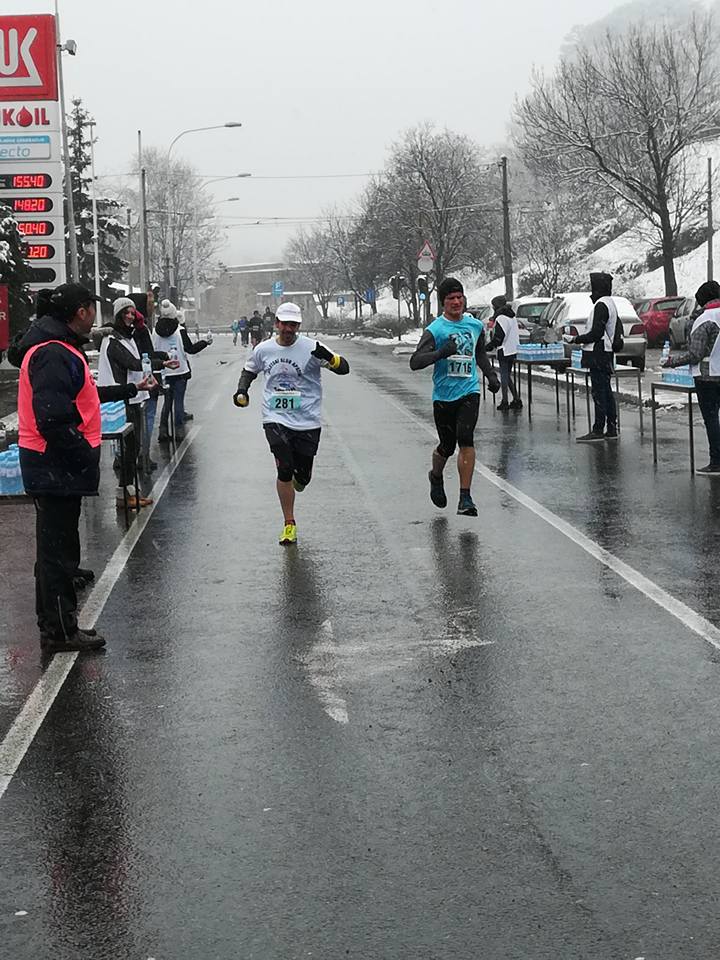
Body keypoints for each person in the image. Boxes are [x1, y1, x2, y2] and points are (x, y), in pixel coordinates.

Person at [16, 283, 152, 654]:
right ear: (80, 312)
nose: (95, 314)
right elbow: (53, 420)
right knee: (58, 554)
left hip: (52, 464)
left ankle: (57, 624)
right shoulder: (55, 354)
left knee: (56, 550)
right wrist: (83, 455)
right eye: (92, 307)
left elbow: (81, 400)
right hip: (54, 465)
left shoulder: (57, 350)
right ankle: (60, 630)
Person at [232, 301, 350, 545]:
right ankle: (289, 523)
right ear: (276, 324)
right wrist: (242, 390)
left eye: (293, 325)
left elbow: (344, 369)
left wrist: (330, 358)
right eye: (284, 324)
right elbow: (249, 370)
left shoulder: (312, 348)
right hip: (275, 417)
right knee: (284, 468)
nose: (288, 329)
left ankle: (301, 477)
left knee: (302, 477)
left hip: (307, 420)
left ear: (298, 326)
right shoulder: (264, 349)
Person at [409, 277, 500, 516]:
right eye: (451, 298)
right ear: (443, 303)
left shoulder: (475, 326)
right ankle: (436, 476)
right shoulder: (435, 329)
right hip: (443, 396)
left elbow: (480, 353)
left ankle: (465, 497)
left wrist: (490, 376)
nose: (456, 302)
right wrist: (441, 352)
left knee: (465, 437)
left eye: (460, 297)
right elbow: (415, 362)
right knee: (447, 447)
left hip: (469, 391)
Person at [98, 298, 172, 506]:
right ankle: (125, 492)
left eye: (132, 313)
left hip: (133, 395)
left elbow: (139, 362)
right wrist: (161, 363)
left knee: (133, 446)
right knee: (129, 447)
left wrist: (157, 364)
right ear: (118, 315)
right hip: (122, 398)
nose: (130, 316)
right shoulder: (113, 340)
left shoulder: (125, 337)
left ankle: (128, 491)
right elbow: (132, 363)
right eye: (126, 313)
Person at [663, 280, 720, 475]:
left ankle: (716, 461)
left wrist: (671, 362)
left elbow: (695, 354)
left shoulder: (704, 320)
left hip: (707, 376)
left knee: (711, 419)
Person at [567, 272, 622, 443]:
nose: (591, 293)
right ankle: (611, 428)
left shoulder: (601, 305)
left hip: (598, 353)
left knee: (599, 392)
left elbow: (596, 333)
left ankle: (598, 429)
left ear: (597, 289)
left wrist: (576, 339)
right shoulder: (610, 303)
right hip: (605, 353)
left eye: (593, 288)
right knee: (606, 391)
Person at [153, 299, 210, 442]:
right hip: (179, 371)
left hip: (163, 370)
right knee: (178, 401)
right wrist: (205, 342)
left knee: (167, 402)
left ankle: (163, 430)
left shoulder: (154, 331)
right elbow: (190, 349)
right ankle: (178, 431)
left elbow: (152, 351)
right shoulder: (180, 330)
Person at [487, 300, 522, 410]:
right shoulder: (512, 317)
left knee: (504, 375)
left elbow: (499, 337)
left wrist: (489, 346)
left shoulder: (501, 318)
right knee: (507, 375)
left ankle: (505, 401)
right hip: (514, 349)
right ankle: (516, 399)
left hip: (504, 349)